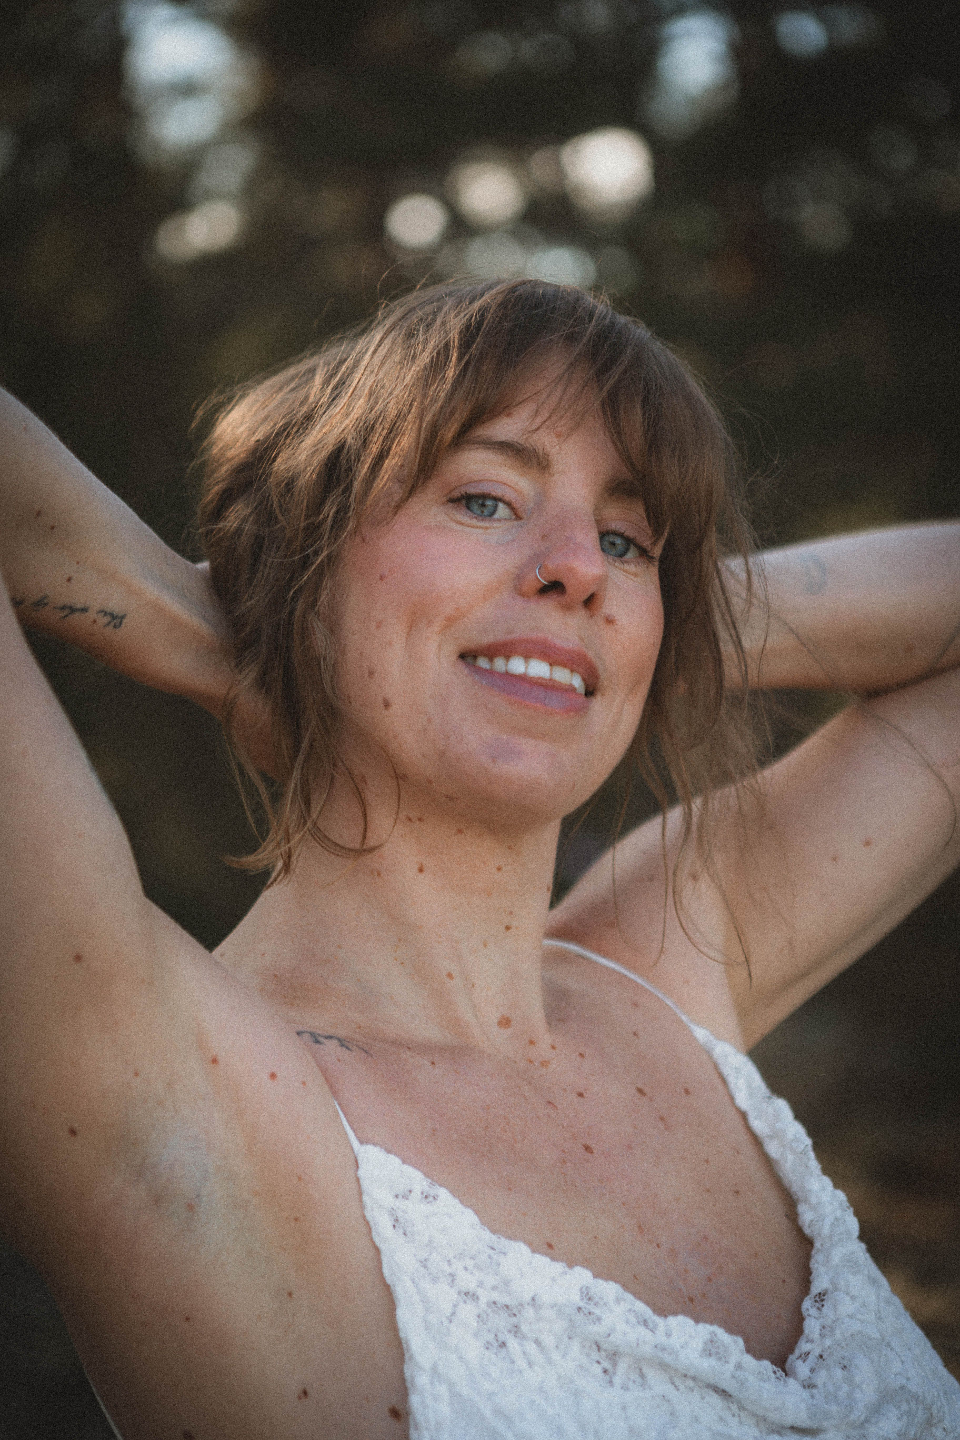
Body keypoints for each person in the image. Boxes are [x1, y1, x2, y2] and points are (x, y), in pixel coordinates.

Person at [0, 279, 957, 1440]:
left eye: (627, 538)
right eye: (486, 499)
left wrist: (640, 626)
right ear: (303, 564)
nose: (579, 564)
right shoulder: (168, 1085)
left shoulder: (667, 975)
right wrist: (201, 626)